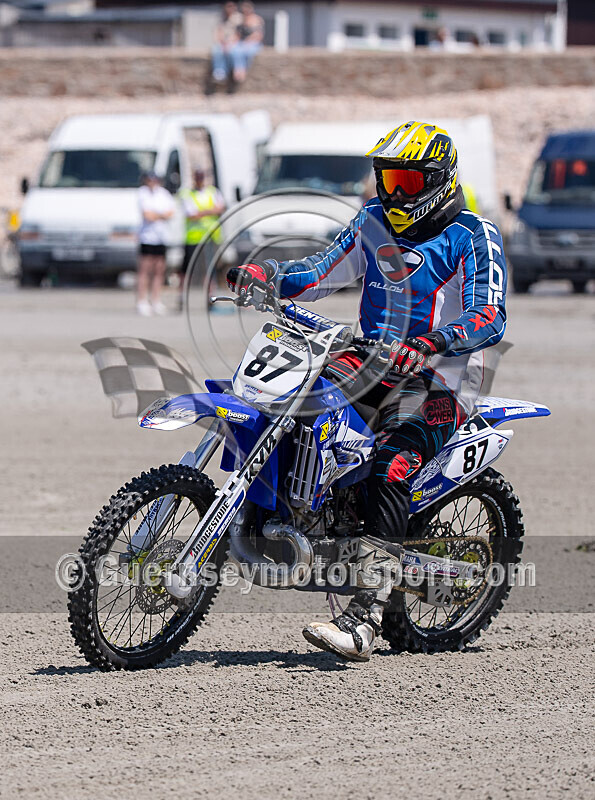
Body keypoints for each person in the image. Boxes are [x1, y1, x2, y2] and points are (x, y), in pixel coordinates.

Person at [226, 121, 508, 662]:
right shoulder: (373, 221)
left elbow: (490, 315)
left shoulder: (473, 235)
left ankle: (363, 617)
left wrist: (433, 342)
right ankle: (289, 518)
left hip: (439, 379)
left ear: (439, 179)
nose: (395, 193)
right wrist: (269, 275)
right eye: (388, 179)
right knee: (284, 400)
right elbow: (319, 272)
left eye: (407, 181)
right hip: (368, 359)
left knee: (392, 463)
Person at [178, 168, 226, 303]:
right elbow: (192, 214)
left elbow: (221, 208)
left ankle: (210, 297)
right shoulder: (187, 193)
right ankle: (182, 297)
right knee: (187, 269)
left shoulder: (213, 191)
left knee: (210, 270)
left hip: (211, 237)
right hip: (194, 238)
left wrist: (202, 212)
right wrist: (211, 211)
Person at [137, 171, 175, 316]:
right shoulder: (143, 193)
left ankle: (155, 300)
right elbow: (147, 215)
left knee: (159, 270)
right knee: (144, 270)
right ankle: (142, 301)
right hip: (147, 237)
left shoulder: (164, 194)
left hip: (161, 237)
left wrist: (158, 215)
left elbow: (171, 213)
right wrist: (161, 215)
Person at [211, 2, 242, 85]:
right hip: (223, 43)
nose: (229, 8)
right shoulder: (222, 18)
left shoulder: (239, 18)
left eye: (231, 6)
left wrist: (230, 43)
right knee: (217, 50)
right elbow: (219, 32)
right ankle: (219, 73)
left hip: (234, 43)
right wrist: (223, 43)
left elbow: (239, 34)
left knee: (233, 52)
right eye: (228, 6)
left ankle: (236, 73)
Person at [233, 1, 264, 83]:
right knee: (235, 50)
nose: (245, 10)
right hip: (242, 43)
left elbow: (259, 35)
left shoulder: (256, 19)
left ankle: (243, 72)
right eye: (244, 8)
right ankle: (238, 72)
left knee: (247, 51)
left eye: (247, 8)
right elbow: (237, 34)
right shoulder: (240, 20)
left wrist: (247, 42)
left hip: (253, 43)